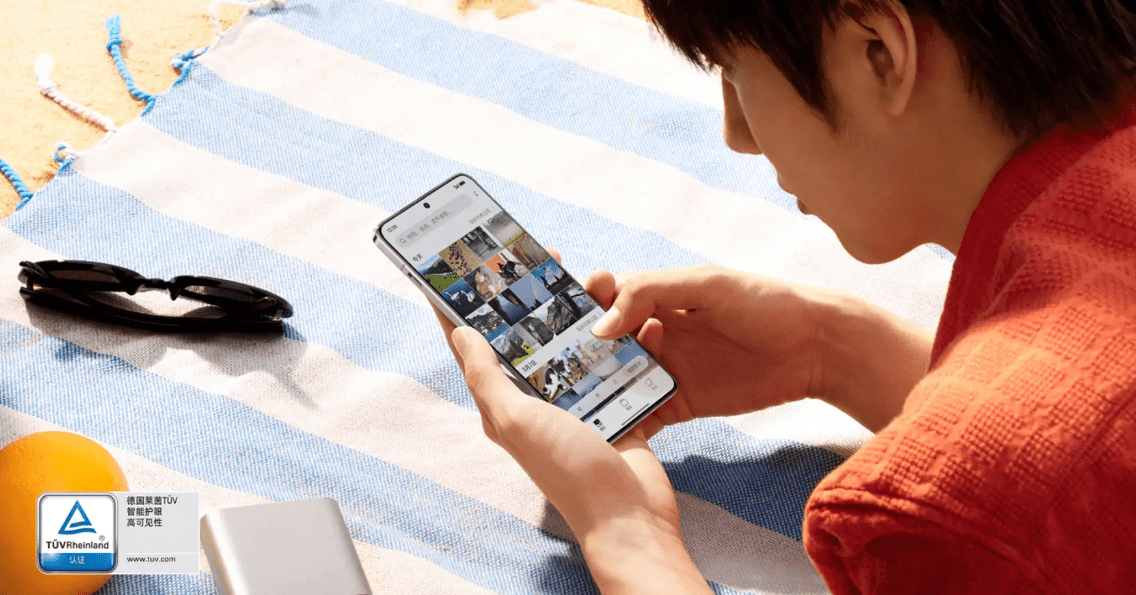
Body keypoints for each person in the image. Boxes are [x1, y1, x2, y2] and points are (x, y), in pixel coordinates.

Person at [435, 0, 1136, 593]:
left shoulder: (937, 516)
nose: (735, 134)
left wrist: (626, 532)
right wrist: (829, 347)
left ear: (880, 53)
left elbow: (1017, 495)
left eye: (734, 72)